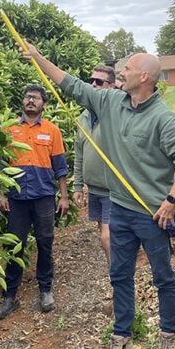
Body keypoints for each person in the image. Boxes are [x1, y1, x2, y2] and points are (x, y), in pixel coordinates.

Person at [18, 41, 175, 349]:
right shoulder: (113, 101)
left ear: (144, 77)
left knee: (163, 277)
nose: (122, 73)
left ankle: (169, 338)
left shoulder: (163, 119)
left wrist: (171, 201)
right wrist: (39, 58)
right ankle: (122, 341)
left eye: (128, 69)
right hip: (120, 209)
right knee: (119, 275)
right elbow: (72, 85)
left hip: (151, 214)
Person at [0, 84, 70, 320]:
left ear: (44, 104)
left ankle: (45, 290)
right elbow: (0, 166)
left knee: (45, 242)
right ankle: (10, 296)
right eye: (27, 97)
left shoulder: (52, 130)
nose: (30, 101)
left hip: (44, 196)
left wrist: (64, 196)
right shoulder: (9, 130)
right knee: (14, 245)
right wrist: (0, 194)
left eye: (36, 98)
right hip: (17, 198)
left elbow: (60, 167)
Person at [72, 65, 116, 268]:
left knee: (108, 236)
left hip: (113, 189)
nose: (93, 85)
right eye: (91, 81)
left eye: (99, 82)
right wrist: (78, 186)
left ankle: (117, 278)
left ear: (111, 86)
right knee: (103, 231)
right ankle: (116, 271)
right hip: (94, 188)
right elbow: (79, 153)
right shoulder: (83, 116)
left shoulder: (116, 112)